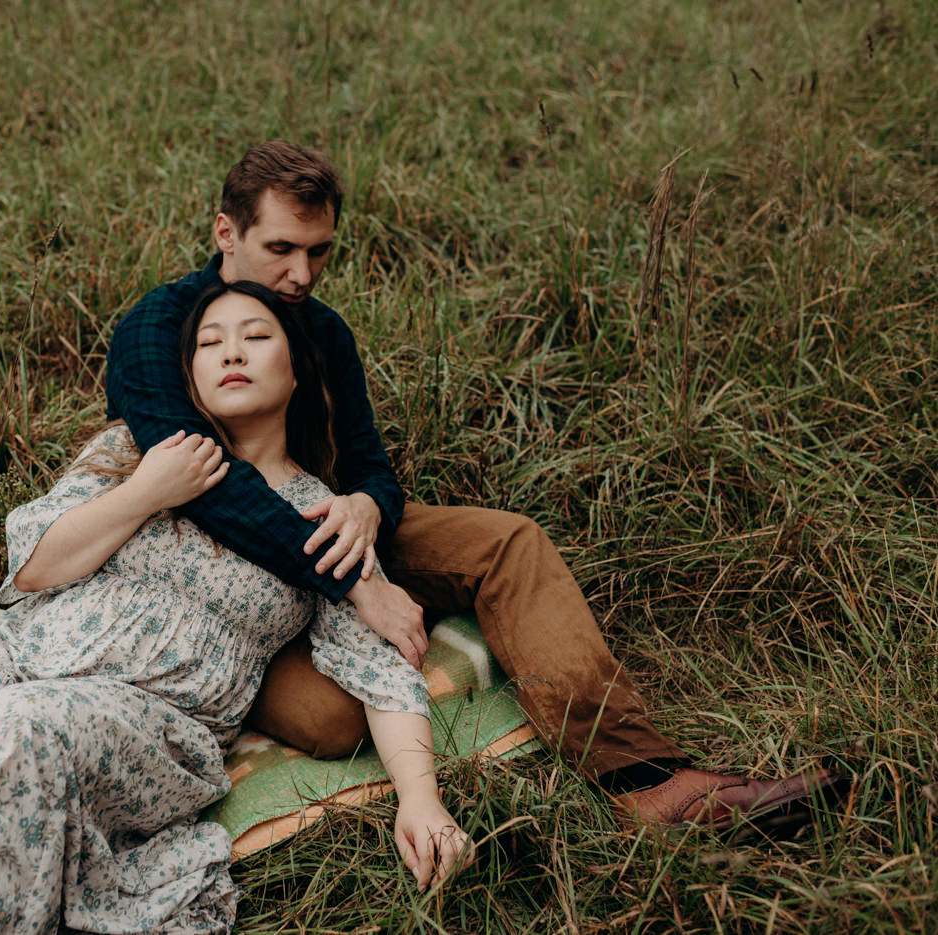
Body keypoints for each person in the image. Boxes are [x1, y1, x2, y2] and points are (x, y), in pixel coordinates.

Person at [106, 139, 842, 834]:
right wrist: (359, 582)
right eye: (281, 250)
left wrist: (367, 504)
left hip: (326, 524)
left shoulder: (320, 330)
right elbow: (203, 484)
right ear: (226, 233)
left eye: (319, 251)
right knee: (335, 715)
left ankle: (645, 780)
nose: (302, 274)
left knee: (506, 541)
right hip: (206, 568)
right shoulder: (159, 326)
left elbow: (369, 465)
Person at [0, 280, 466, 934]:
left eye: (256, 336)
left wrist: (422, 801)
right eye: (209, 342)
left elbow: (376, 669)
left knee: (20, 732)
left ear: (295, 369)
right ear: (188, 373)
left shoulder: (320, 512)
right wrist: (147, 492)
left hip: (151, 721)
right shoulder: (136, 448)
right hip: (12, 656)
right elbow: (33, 567)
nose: (230, 351)